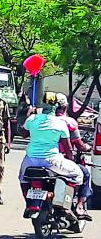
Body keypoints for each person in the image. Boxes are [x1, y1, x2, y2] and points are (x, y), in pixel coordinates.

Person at [18, 92, 83, 215]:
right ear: (56, 105)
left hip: (30, 160)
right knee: (78, 174)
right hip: (52, 161)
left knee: (23, 179)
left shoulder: (32, 119)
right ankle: (67, 203)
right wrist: (71, 160)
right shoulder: (60, 123)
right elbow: (67, 148)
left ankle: (28, 203)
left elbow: (23, 134)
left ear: (42, 103)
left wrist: (25, 117)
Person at [56, 93, 93, 221]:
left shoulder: (42, 120)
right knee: (85, 174)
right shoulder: (69, 122)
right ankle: (80, 206)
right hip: (63, 161)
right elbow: (79, 145)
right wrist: (88, 147)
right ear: (65, 107)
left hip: (40, 160)